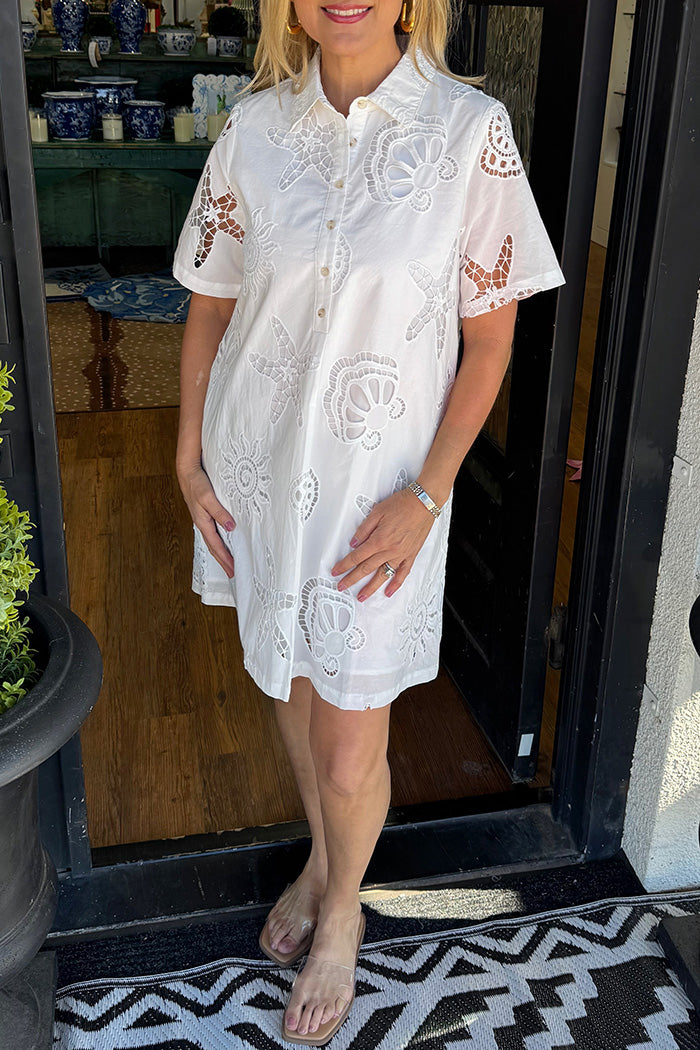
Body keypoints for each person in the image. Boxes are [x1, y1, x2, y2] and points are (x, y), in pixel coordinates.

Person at [173, 0, 565, 1042]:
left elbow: (490, 341)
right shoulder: (254, 130)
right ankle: (321, 859)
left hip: (381, 499)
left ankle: (343, 908)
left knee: (352, 737)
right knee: (294, 685)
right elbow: (209, 302)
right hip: (260, 477)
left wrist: (428, 494)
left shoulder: (467, 132)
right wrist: (186, 455)